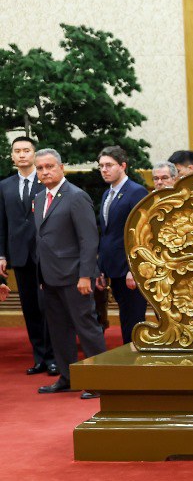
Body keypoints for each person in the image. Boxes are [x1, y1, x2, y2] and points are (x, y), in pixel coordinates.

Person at [32, 149, 106, 399]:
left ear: (61, 167)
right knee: (58, 330)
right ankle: (67, 377)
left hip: (75, 277)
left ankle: (99, 381)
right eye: (40, 168)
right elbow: (42, 239)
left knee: (86, 327)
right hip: (49, 277)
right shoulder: (40, 198)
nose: (45, 172)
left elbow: (88, 239)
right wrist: (42, 275)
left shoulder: (76, 196)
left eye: (50, 166)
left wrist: (86, 275)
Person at [0, 136, 57, 376]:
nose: (22, 155)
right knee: (30, 309)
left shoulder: (46, 181)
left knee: (49, 307)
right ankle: (40, 357)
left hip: (46, 256)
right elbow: (1, 223)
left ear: (34, 154)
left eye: (26, 150)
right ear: (12, 156)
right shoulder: (5, 186)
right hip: (20, 255)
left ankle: (54, 357)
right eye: (17, 151)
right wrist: (1, 254)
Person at [96, 146, 149, 343]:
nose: (104, 170)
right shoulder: (106, 194)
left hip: (129, 270)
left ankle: (136, 361)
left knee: (133, 318)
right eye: (101, 166)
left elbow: (141, 233)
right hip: (112, 267)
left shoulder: (136, 192)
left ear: (123, 166)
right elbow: (107, 234)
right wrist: (101, 267)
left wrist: (132, 269)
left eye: (109, 165)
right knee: (124, 317)